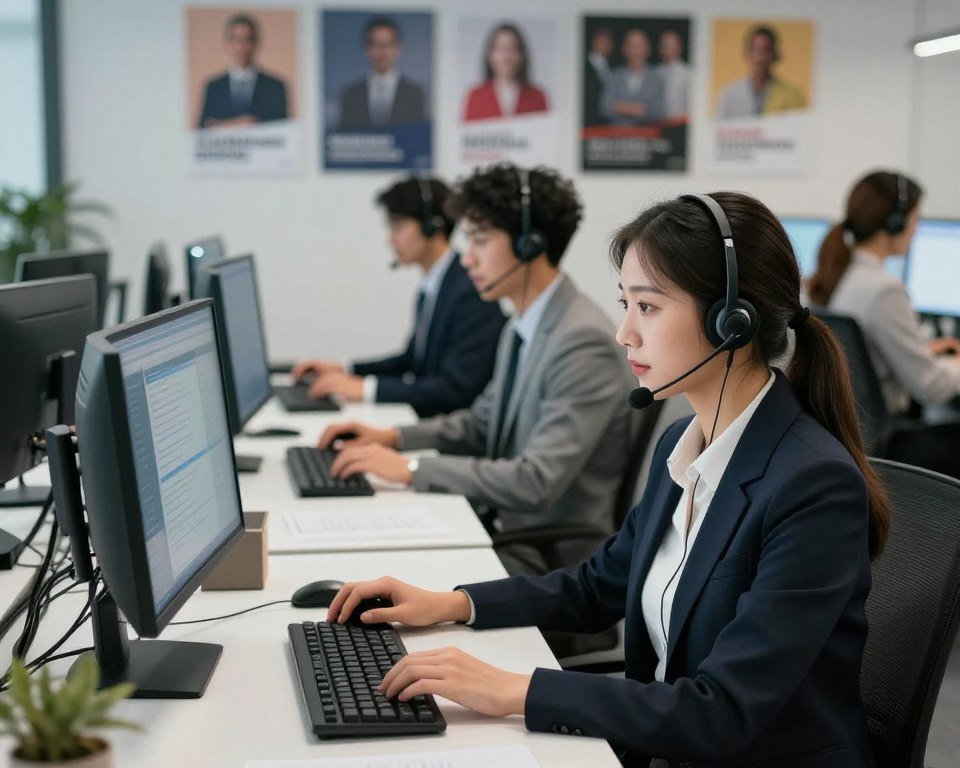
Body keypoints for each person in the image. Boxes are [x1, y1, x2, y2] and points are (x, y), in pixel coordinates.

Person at [324, 192, 891, 767]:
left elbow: (721, 713)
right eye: (626, 304)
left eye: (647, 306)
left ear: (731, 322)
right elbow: (596, 588)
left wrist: (517, 690)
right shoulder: (683, 444)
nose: (624, 333)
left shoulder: (812, 486)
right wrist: (451, 603)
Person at [318, 164, 632, 579]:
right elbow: (480, 424)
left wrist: (411, 469)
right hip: (506, 530)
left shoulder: (581, 341)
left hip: (551, 564)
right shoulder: (525, 323)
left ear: (529, 244)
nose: (467, 258)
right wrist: (392, 438)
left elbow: (536, 480)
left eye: (480, 240)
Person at [291, 177, 505, 418]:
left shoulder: (470, 291)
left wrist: (366, 389)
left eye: (398, 227)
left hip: (451, 428)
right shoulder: (435, 286)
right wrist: (346, 370)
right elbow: (412, 360)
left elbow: (455, 388)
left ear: (431, 226)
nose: (390, 239)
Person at [807, 170, 960, 478]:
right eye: (916, 219)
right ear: (896, 223)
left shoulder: (829, 276)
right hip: (887, 443)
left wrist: (924, 350)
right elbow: (932, 388)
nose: (916, 229)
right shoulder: (885, 290)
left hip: (845, 433)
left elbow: (863, 351)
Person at [198, 14, 288, 129]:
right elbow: (202, 130)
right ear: (228, 44)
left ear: (256, 43)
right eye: (237, 40)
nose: (241, 47)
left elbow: (283, 130)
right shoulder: (213, 87)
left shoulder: (275, 87)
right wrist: (237, 124)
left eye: (247, 40)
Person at [338, 16, 425, 131]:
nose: (382, 51)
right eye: (376, 45)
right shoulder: (351, 95)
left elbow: (418, 135)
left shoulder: (415, 94)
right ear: (366, 49)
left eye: (388, 45)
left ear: (398, 49)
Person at [716, 25, 806, 120]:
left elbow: (800, 126)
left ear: (775, 54)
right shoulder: (730, 94)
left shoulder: (792, 95)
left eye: (766, 50)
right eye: (756, 50)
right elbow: (718, 126)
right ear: (747, 52)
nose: (760, 57)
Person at [463, 24, 549, 122]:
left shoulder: (537, 97)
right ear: (490, 55)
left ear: (522, 55)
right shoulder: (476, 97)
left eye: (512, 48)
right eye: (501, 49)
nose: (507, 57)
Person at [600, 28, 665, 126]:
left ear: (648, 50)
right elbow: (605, 108)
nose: (636, 50)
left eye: (640, 45)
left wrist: (619, 106)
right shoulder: (614, 76)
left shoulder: (657, 78)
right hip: (618, 133)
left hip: (647, 133)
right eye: (632, 45)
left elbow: (656, 112)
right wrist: (639, 109)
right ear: (624, 49)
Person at [656, 29, 690, 120]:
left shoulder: (688, 73)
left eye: (672, 45)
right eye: (665, 45)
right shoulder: (656, 72)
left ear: (680, 48)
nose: (668, 49)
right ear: (660, 48)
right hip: (658, 122)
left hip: (680, 122)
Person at [583, 27, 614, 127]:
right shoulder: (582, 65)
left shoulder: (613, 67)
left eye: (608, 41)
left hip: (607, 121)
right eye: (602, 40)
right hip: (588, 121)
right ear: (593, 42)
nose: (606, 44)